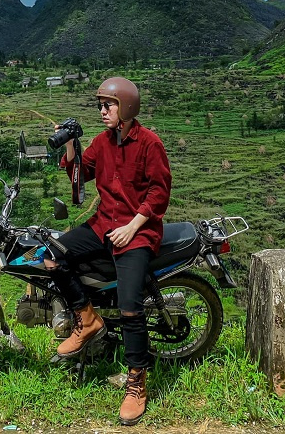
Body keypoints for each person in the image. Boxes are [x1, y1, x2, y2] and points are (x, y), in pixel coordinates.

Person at [44, 76, 172, 426]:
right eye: (100, 105)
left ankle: (136, 382)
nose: (102, 111)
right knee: (52, 255)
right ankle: (86, 319)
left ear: (126, 107)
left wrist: (132, 226)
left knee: (131, 307)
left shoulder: (149, 144)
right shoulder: (101, 143)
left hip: (138, 233)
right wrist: (70, 144)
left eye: (108, 105)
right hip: (103, 224)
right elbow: (80, 175)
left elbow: (159, 193)